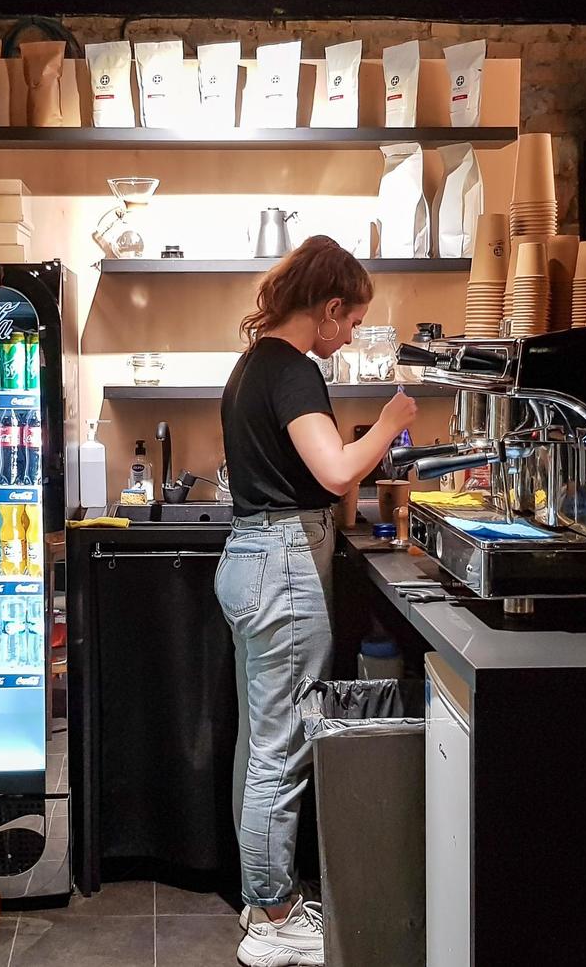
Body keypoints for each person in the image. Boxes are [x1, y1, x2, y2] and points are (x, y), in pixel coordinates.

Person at [217, 235, 418, 967]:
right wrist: (390, 428)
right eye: (353, 321)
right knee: (283, 744)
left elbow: (318, 479)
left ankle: (259, 893)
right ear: (328, 307)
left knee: (258, 739)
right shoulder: (294, 370)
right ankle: (272, 920)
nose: (352, 336)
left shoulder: (253, 365)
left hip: (252, 557)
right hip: (283, 565)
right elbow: (333, 472)